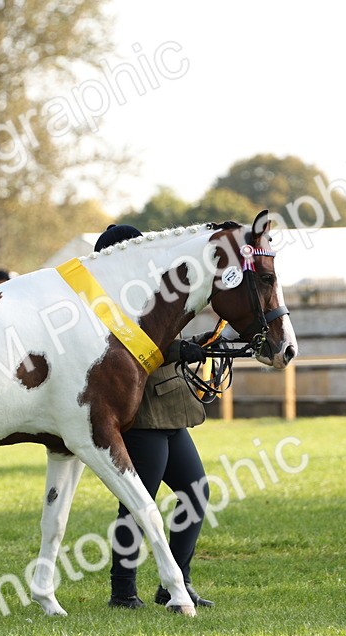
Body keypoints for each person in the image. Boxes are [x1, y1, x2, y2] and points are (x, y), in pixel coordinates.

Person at [95, 224, 215, 612]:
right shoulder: (107, 300)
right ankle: (123, 592)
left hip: (169, 409)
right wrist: (181, 349)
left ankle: (176, 582)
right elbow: (134, 344)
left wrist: (193, 344)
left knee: (196, 492)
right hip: (140, 413)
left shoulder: (146, 289)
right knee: (135, 504)